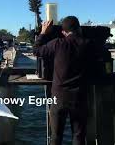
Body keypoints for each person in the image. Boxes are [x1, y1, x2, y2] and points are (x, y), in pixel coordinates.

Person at [33, 16, 89, 145]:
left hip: (59, 97)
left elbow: (36, 50)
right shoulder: (88, 44)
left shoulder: (58, 43)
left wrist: (43, 33)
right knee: (79, 135)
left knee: (56, 136)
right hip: (79, 97)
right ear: (79, 28)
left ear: (63, 32)